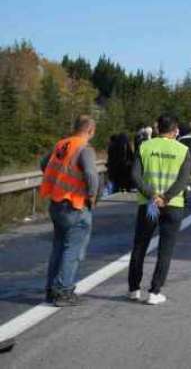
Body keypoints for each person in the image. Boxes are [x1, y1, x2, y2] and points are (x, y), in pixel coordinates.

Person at [128, 114, 191, 305]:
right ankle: (155, 292)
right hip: (172, 206)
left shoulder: (145, 147)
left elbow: (135, 175)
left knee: (140, 246)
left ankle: (134, 289)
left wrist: (152, 196)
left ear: (157, 129)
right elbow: (182, 180)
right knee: (165, 249)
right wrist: (167, 197)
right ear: (175, 131)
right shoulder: (183, 150)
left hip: (150, 205)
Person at [40, 114, 99, 306]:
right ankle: (63, 291)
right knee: (72, 249)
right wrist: (91, 195)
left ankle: (51, 289)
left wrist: (59, 181)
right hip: (75, 205)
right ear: (90, 130)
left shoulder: (62, 144)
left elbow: (44, 164)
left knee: (58, 247)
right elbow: (91, 175)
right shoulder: (85, 148)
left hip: (56, 203)